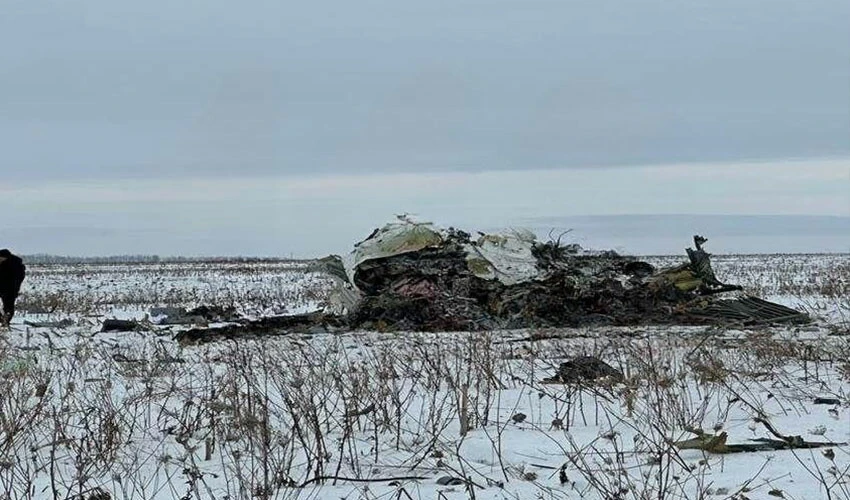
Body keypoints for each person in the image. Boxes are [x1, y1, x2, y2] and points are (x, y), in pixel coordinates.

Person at [0, 249, 26, 327]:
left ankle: (6, 321)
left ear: (6, 257)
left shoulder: (16, 264)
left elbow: (19, 278)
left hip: (10, 289)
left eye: (1, 258)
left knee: (8, 307)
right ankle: (2, 319)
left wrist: (15, 290)